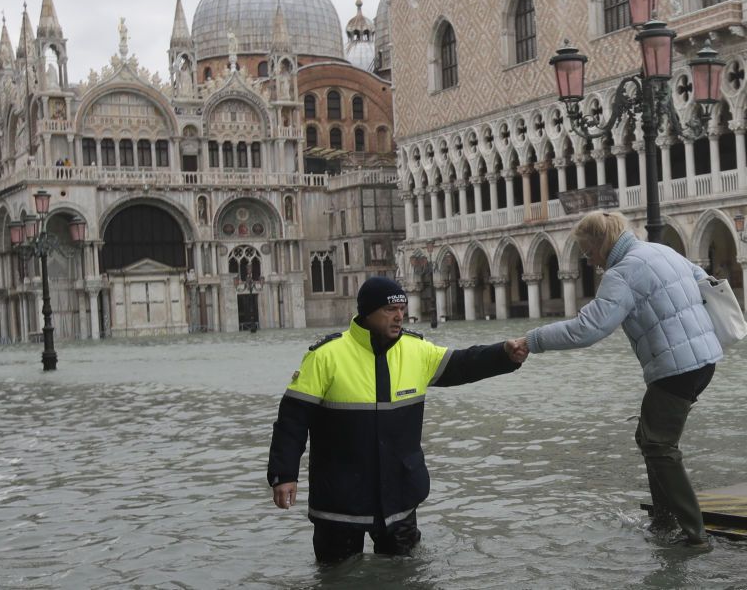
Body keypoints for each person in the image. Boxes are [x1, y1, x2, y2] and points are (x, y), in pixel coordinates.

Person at [268, 276, 528, 565]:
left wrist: (504, 355)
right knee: (336, 577)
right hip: (339, 499)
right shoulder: (326, 356)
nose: (399, 316)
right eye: (390, 310)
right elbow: (292, 420)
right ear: (368, 313)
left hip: (400, 497)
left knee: (407, 576)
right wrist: (284, 475)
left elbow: (464, 363)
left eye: (402, 309)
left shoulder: (417, 350)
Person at [517, 211, 723, 552]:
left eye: (588, 252)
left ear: (601, 243)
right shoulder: (662, 251)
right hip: (704, 359)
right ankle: (663, 518)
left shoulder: (623, 272)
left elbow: (589, 328)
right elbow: (706, 282)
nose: (591, 261)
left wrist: (533, 340)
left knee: (659, 445)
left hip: (677, 365)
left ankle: (694, 535)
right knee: (649, 436)